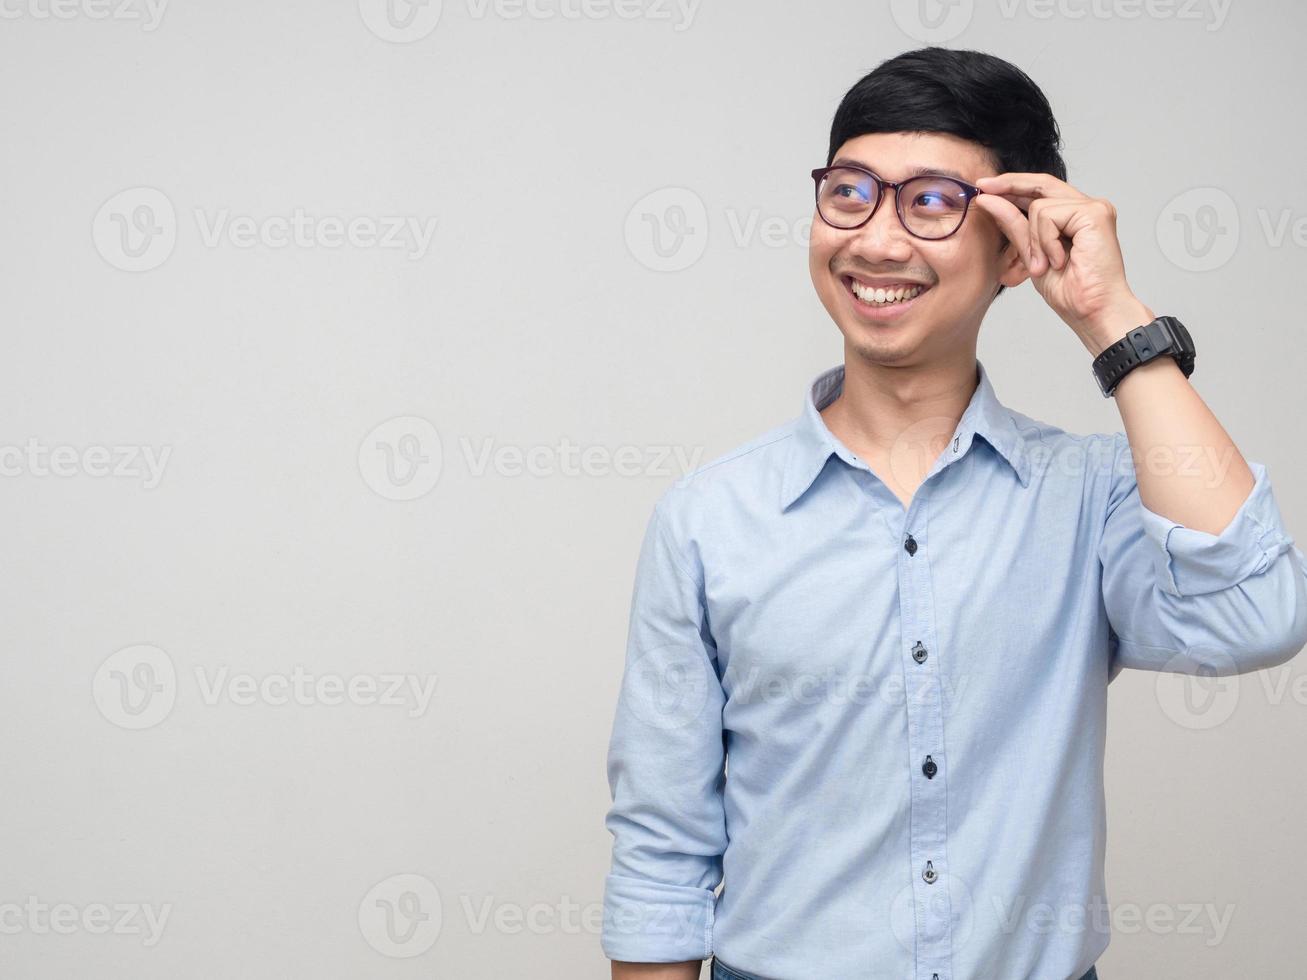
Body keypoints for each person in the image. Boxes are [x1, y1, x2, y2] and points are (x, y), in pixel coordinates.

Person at [600, 47, 1307, 980]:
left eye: (930, 201)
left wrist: (1112, 318)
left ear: (1015, 246)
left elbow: (1251, 618)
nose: (876, 241)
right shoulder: (709, 518)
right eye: (849, 191)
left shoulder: (1087, 497)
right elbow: (661, 850)